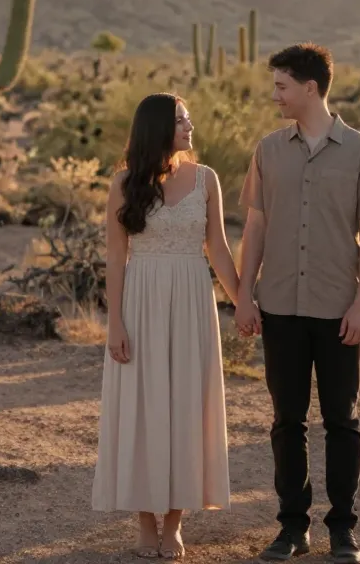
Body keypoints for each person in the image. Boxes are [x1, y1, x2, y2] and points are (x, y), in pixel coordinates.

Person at [235, 43, 360, 564]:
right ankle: (292, 528)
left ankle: (343, 531)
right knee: (287, 422)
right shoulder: (267, 150)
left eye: (281, 86)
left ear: (310, 88)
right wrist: (243, 295)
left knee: (342, 421)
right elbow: (254, 227)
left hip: (338, 308)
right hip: (279, 305)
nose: (274, 95)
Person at [93, 92, 241, 559]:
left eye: (189, 118)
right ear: (157, 127)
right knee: (140, 405)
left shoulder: (207, 179)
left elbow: (217, 248)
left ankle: (175, 522)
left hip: (192, 300)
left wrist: (243, 303)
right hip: (141, 299)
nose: (189, 126)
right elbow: (116, 258)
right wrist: (114, 322)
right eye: (180, 119)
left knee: (185, 406)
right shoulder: (123, 183)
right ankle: (143, 522)